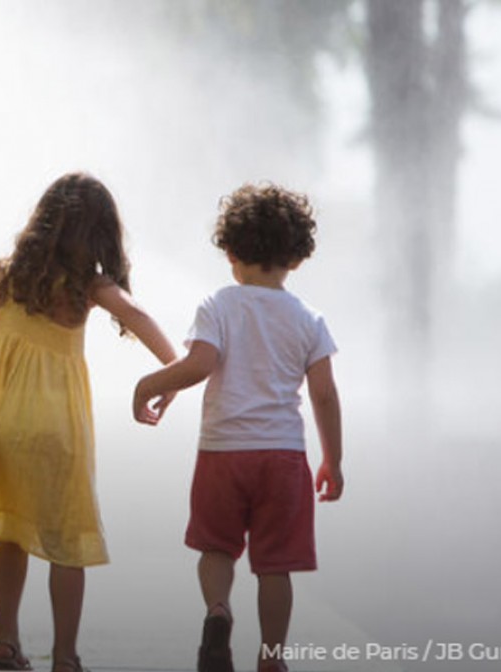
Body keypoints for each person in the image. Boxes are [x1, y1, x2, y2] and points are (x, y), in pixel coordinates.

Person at [0, 172, 178, 672]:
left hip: (5, 423)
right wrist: (174, 371)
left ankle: (5, 643)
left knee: (13, 532)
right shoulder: (89, 286)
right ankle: (65, 655)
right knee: (67, 542)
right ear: (100, 235)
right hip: (59, 428)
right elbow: (138, 316)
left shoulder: (8, 272)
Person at [132, 183, 344, 672]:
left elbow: (198, 365)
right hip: (284, 458)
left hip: (223, 452)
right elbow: (325, 394)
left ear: (229, 250)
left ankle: (218, 611)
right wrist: (333, 458)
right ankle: (271, 658)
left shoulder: (219, 305)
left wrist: (149, 383)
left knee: (216, 548)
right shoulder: (309, 319)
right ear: (296, 257)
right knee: (276, 566)